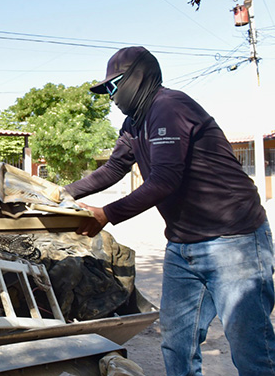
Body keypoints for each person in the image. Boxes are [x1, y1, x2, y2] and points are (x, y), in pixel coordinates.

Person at [65, 46, 275, 375]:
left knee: (250, 346)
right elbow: (112, 170)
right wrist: (59, 194)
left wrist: (105, 214)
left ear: (138, 76)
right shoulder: (133, 123)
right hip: (182, 247)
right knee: (176, 342)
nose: (111, 95)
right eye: (107, 89)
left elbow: (164, 181)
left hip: (235, 241)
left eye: (114, 85)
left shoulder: (168, 107)